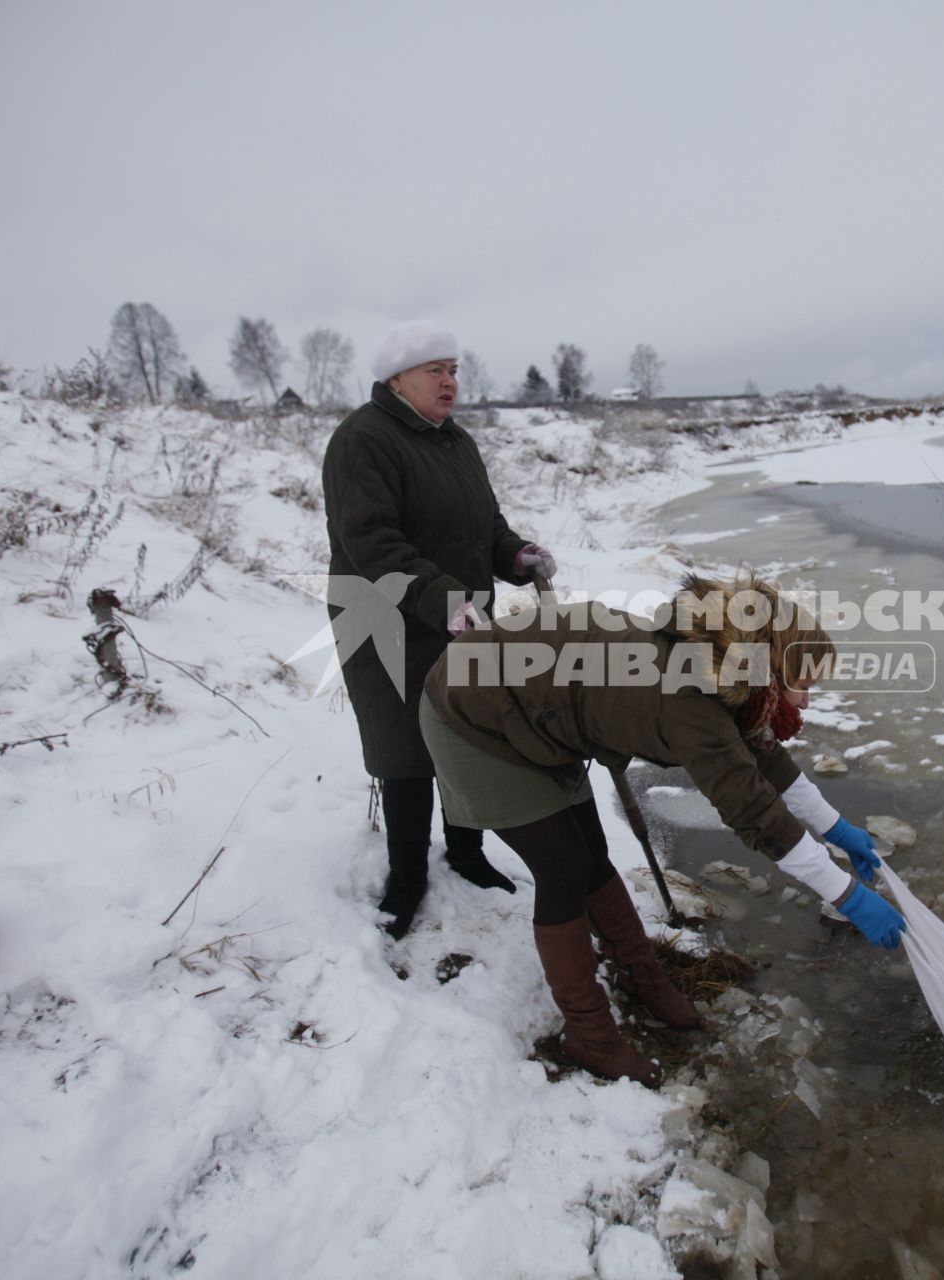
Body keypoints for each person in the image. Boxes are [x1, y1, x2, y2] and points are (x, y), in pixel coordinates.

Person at [419, 572, 906, 1087]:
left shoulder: (728, 669)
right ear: (771, 670)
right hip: (474, 711)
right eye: (803, 687)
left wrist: (838, 829)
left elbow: (761, 754)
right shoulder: (692, 701)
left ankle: (641, 976)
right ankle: (590, 1036)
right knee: (563, 870)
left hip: (537, 711)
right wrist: (847, 895)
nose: (806, 702)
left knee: (591, 853)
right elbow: (754, 811)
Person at [322, 319, 559, 939]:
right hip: (385, 617)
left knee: (469, 735)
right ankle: (406, 878)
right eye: (436, 370)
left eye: (454, 370)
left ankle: (466, 852)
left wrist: (515, 556)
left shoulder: (456, 442)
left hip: (457, 618)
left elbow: (485, 526)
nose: (450, 382)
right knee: (406, 749)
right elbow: (371, 542)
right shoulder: (362, 441)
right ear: (397, 379)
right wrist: (441, 598)